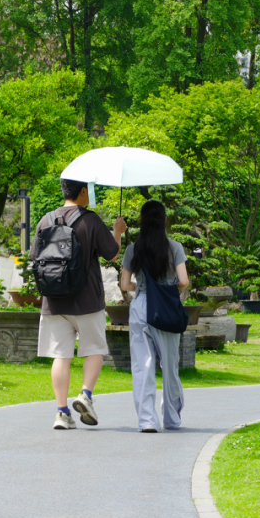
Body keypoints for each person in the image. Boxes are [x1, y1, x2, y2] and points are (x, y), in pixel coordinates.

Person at [30, 178, 126, 430]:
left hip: (53, 302)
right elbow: (112, 253)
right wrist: (117, 231)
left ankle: (61, 413)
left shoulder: (45, 220)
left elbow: (34, 257)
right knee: (94, 348)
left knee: (60, 356)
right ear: (83, 191)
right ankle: (85, 395)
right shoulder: (91, 220)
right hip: (87, 301)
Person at [118, 200, 190, 433]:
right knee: (170, 366)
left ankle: (147, 421)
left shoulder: (133, 249)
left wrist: (143, 287)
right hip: (166, 308)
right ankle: (171, 418)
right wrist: (168, 288)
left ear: (142, 222)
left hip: (140, 307)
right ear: (165, 220)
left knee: (142, 366)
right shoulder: (175, 247)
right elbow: (184, 281)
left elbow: (125, 284)